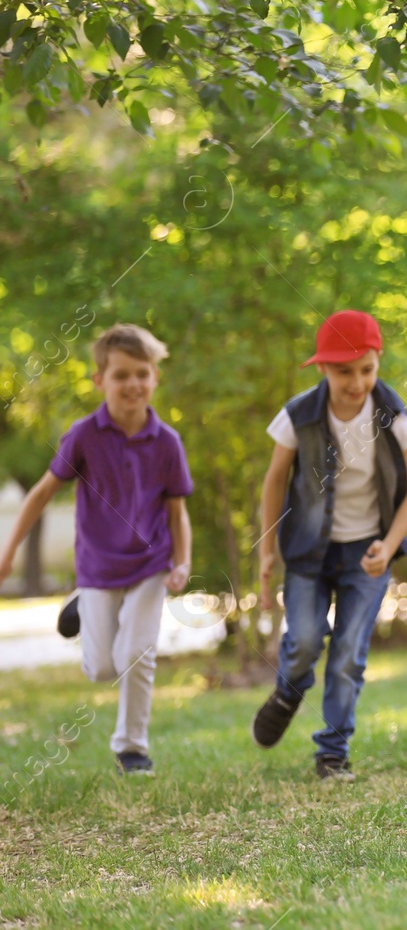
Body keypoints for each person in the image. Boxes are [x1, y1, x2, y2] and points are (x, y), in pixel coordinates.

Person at [0, 324, 193, 776]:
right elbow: (42, 493)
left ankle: (132, 748)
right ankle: (84, 607)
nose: (133, 384)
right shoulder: (84, 435)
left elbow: (177, 509)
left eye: (142, 373)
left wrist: (182, 561)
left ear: (155, 378)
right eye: (121, 375)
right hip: (98, 565)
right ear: (99, 380)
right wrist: (8, 553)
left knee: (137, 655)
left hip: (151, 562)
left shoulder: (167, 442)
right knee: (102, 668)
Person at [251, 310, 407, 782]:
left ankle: (332, 751)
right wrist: (267, 548)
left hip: (367, 554)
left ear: (378, 363)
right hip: (308, 551)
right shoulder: (298, 416)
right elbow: (273, 482)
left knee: (349, 651)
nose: (357, 382)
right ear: (322, 368)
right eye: (344, 371)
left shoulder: (393, 415)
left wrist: (388, 547)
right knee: (305, 641)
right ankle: (289, 691)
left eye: (367, 370)